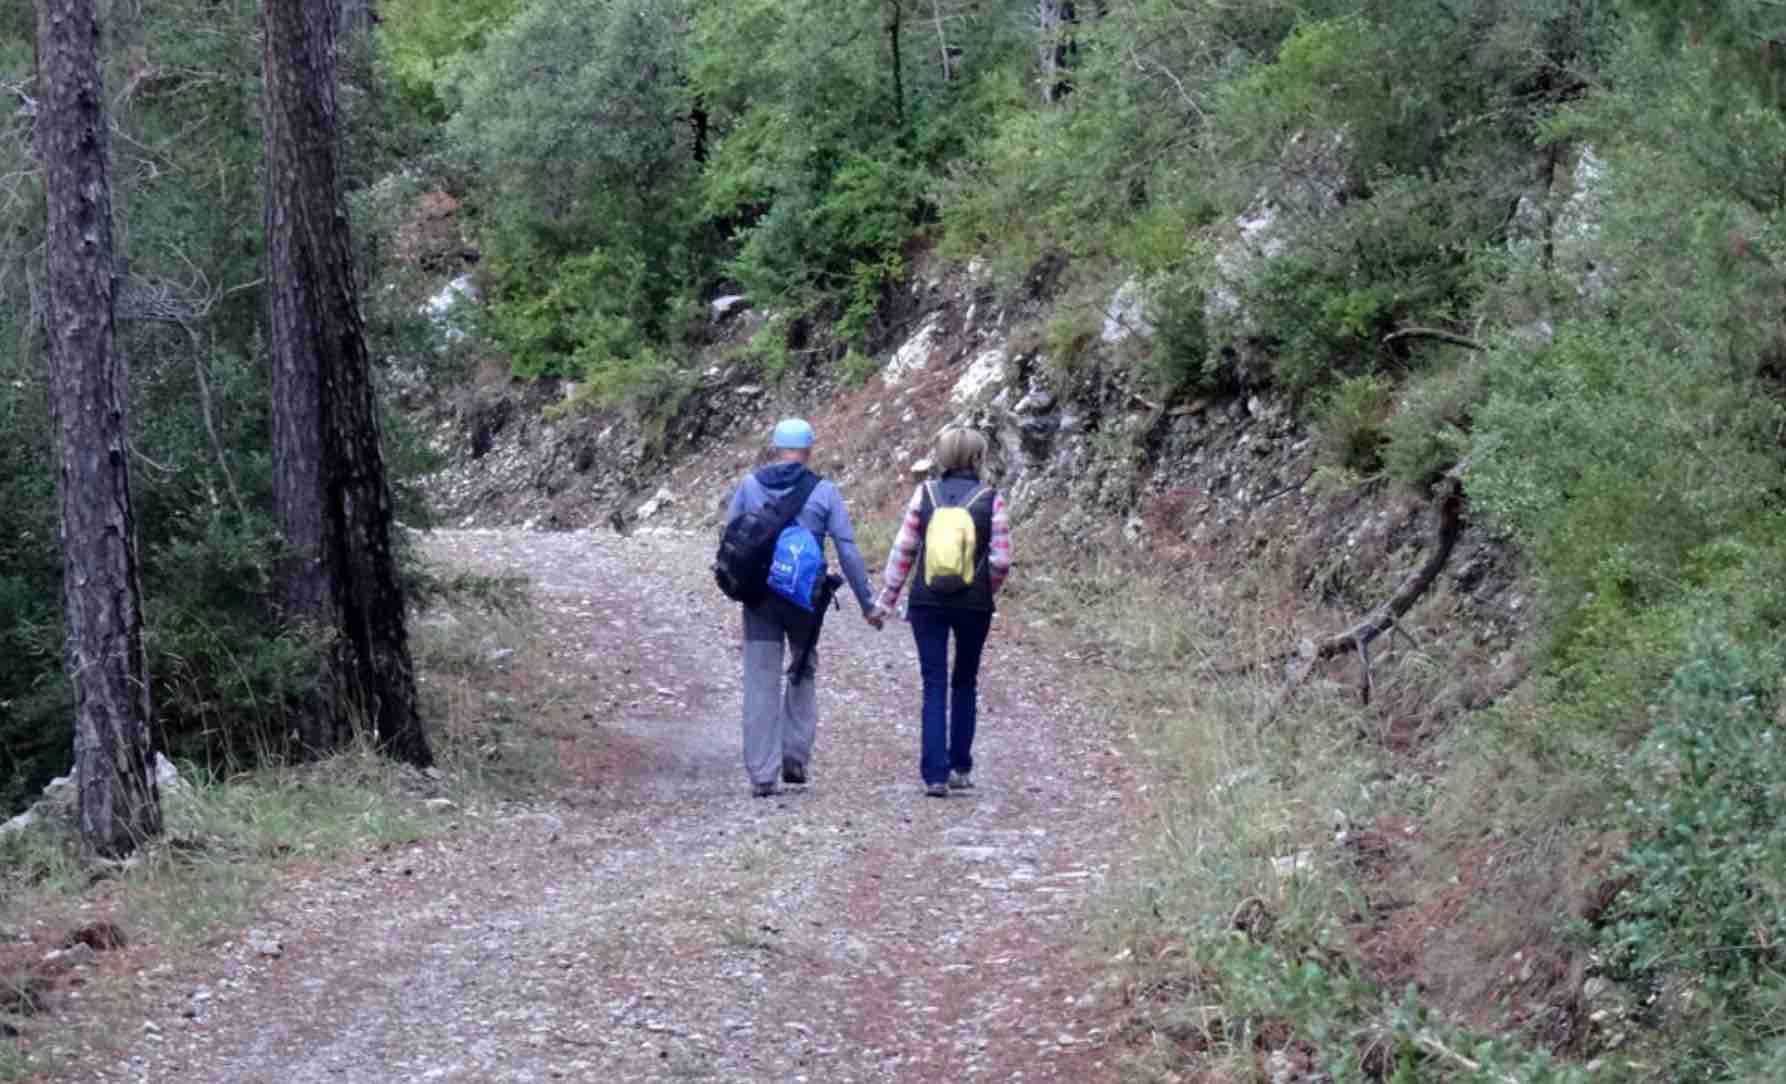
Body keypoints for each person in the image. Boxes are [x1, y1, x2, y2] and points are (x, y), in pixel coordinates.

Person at [725, 418, 881, 797]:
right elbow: (847, 549)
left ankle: (763, 774)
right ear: (809, 450)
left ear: (775, 448)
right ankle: (794, 756)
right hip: (804, 600)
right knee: (802, 669)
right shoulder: (824, 492)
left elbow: (730, 538)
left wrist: (732, 583)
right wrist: (867, 602)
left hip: (759, 598)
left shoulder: (749, 486)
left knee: (760, 679)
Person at [873, 427, 1011, 798]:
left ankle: (935, 774)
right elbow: (1001, 559)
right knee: (964, 680)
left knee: (933, 683)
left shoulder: (925, 494)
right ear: (978, 458)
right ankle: (960, 767)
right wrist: (985, 589)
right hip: (974, 604)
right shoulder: (990, 498)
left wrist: (887, 599)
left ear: (942, 457)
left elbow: (904, 550)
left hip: (927, 601)